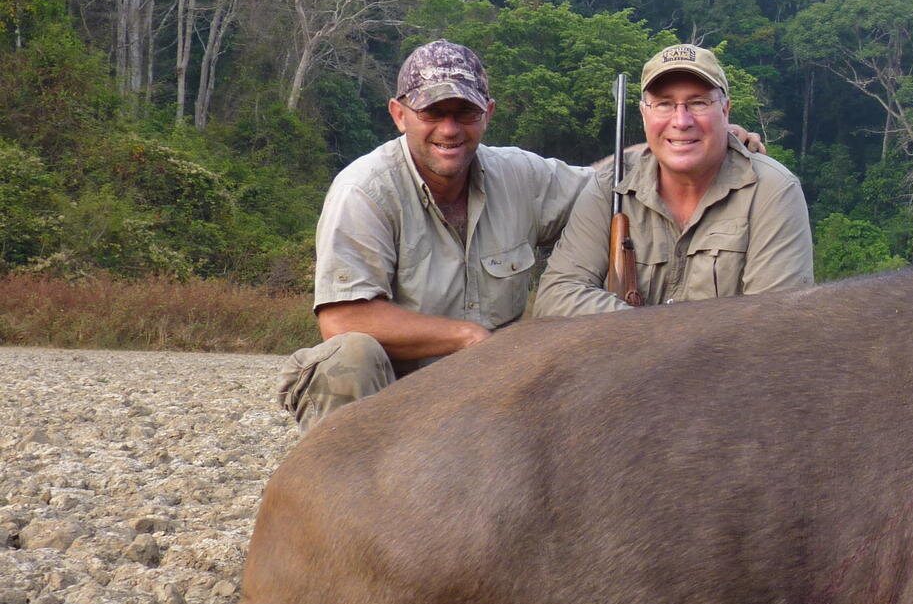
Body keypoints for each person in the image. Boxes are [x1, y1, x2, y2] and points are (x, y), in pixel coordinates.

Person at [276, 40, 595, 432]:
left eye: (465, 112)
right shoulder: (363, 191)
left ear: (487, 113)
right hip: (397, 399)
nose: (449, 129)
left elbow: (609, 187)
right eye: (432, 112)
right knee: (346, 356)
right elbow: (343, 319)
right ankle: (343, 489)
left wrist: (675, 148)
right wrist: (470, 338)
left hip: (500, 395)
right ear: (399, 114)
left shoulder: (522, 175)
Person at [533, 42, 812, 314]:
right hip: (622, 359)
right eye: (664, 104)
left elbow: (773, 321)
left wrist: (640, 333)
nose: (681, 121)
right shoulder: (610, 186)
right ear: (644, 114)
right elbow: (557, 295)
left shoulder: (772, 190)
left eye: (698, 103)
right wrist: (644, 330)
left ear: (725, 111)